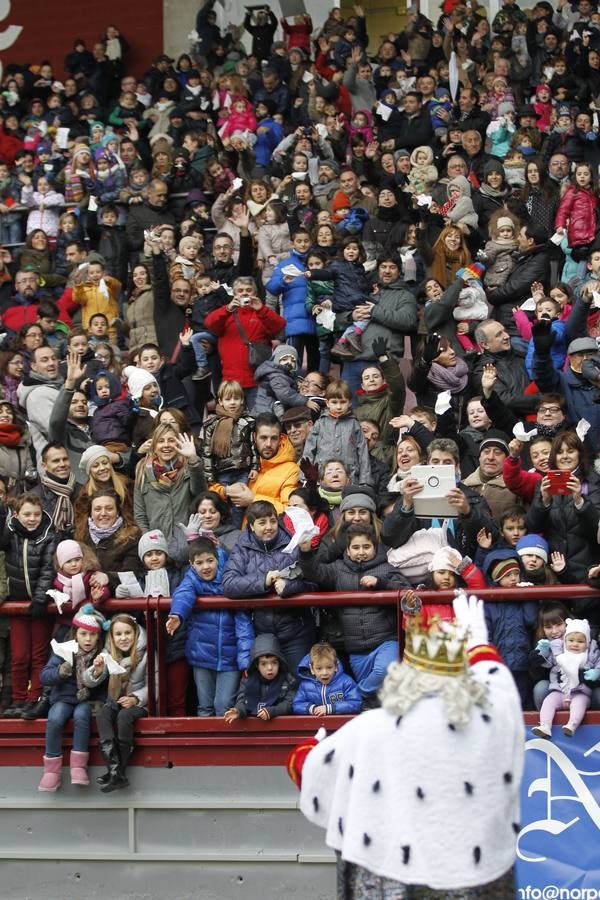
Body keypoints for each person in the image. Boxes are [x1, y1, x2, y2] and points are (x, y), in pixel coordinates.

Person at [288, 593, 523, 898]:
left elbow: (309, 770)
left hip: (388, 877)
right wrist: (478, 645)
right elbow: (501, 689)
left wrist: (308, 747)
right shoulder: (488, 721)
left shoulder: (369, 728)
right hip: (472, 877)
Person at [300, 523, 408, 704]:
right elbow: (314, 572)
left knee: (384, 671)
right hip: (356, 647)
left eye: (366, 547)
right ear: (348, 551)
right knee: (375, 697)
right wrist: (305, 550)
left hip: (385, 641)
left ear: (375, 547)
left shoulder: (387, 568)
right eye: (356, 547)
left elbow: (406, 591)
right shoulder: (337, 569)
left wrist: (380, 583)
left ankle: (353, 695)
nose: (361, 552)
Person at [222, 500, 316, 674]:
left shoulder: (293, 543)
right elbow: (228, 584)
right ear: (251, 526)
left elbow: (314, 581)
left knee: (300, 682)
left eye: (272, 521)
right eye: (262, 522)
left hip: (296, 630)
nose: (269, 527)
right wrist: (263, 581)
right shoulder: (242, 548)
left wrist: (289, 587)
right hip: (260, 632)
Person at [167, 537, 254, 717]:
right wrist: (177, 613)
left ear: (218, 559)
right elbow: (183, 593)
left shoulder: (230, 577)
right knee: (205, 706)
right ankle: (203, 746)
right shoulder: (192, 579)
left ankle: (225, 745)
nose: (205, 567)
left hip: (229, 658)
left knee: (223, 705)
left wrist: (246, 661)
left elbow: (243, 625)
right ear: (191, 565)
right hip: (202, 655)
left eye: (210, 561)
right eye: (199, 563)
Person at [38, 606, 107, 792]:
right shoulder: (64, 651)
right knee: (55, 718)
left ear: (98, 637)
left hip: (86, 700)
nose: (88, 639)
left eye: (92, 635)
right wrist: (59, 672)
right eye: (83, 634)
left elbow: (105, 685)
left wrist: (100, 673)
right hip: (63, 698)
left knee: (82, 716)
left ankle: (78, 767)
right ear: (75, 633)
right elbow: (44, 675)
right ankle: (51, 770)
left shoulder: (101, 656)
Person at [0, 493, 56, 718]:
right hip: (17, 603)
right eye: (26, 514)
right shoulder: (10, 534)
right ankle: (19, 699)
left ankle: (35, 699)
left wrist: (41, 597)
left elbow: (47, 569)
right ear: (17, 515)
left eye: (36, 514)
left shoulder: (49, 536)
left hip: (39, 605)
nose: (32, 519)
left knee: (39, 655)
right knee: (20, 655)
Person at [83, 613, 148, 792]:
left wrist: (135, 698)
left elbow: (155, 684)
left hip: (140, 704)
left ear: (135, 633)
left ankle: (118, 771)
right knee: (103, 713)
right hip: (116, 700)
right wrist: (95, 670)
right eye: (118, 634)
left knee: (124, 717)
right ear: (112, 637)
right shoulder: (108, 653)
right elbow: (87, 681)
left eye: (128, 633)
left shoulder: (146, 653)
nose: (123, 638)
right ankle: (114, 770)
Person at [133, 424, 206, 541]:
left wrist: (193, 459)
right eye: (161, 441)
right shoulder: (142, 469)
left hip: (187, 541)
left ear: (177, 443)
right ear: (154, 445)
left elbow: (201, 495)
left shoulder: (189, 466)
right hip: (157, 544)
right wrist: (150, 540)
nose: (166, 445)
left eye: (171, 440)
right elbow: (140, 514)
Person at [532, 617, 600, 739]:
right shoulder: (559, 654)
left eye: (580, 641)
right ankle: (545, 726)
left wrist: (597, 672)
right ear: (565, 641)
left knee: (579, 705)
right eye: (571, 640)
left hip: (580, 692)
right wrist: (542, 650)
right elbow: (546, 662)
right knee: (548, 702)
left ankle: (572, 725)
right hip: (559, 691)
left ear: (587, 643)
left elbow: (598, 663)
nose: (575, 644)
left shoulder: (590, 654)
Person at [302, 379, 372, 485]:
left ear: (349, 403)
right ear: (327, 403)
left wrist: (365, 481)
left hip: (350, 478)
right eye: (334, 402)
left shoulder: (354, 424)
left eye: (343, 402)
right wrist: (304, 476)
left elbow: (363, 453)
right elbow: (309, 450)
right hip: (322, 477)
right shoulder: (320, 423)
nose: (338, 406)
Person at [223, 633, 296, 723]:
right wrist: (239, 711)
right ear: (257, 665)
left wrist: (272, 711)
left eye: (274, 662)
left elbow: (290, 703)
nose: (270, 668)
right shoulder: (248, 680)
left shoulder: (287, 680)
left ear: (280, 662)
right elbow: (243, 700)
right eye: (264, 664)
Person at [292, 642, 361, 716]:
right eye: (319, 668)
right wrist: (313, 708)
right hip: (315, 725)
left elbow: (355, 703)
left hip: (341, 725)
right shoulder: (305, 685)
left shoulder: (346, 682)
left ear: (336, 666)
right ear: (311, 669)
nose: (324, 673)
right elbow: (296, 704)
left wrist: (330, 708)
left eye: (329, 667)